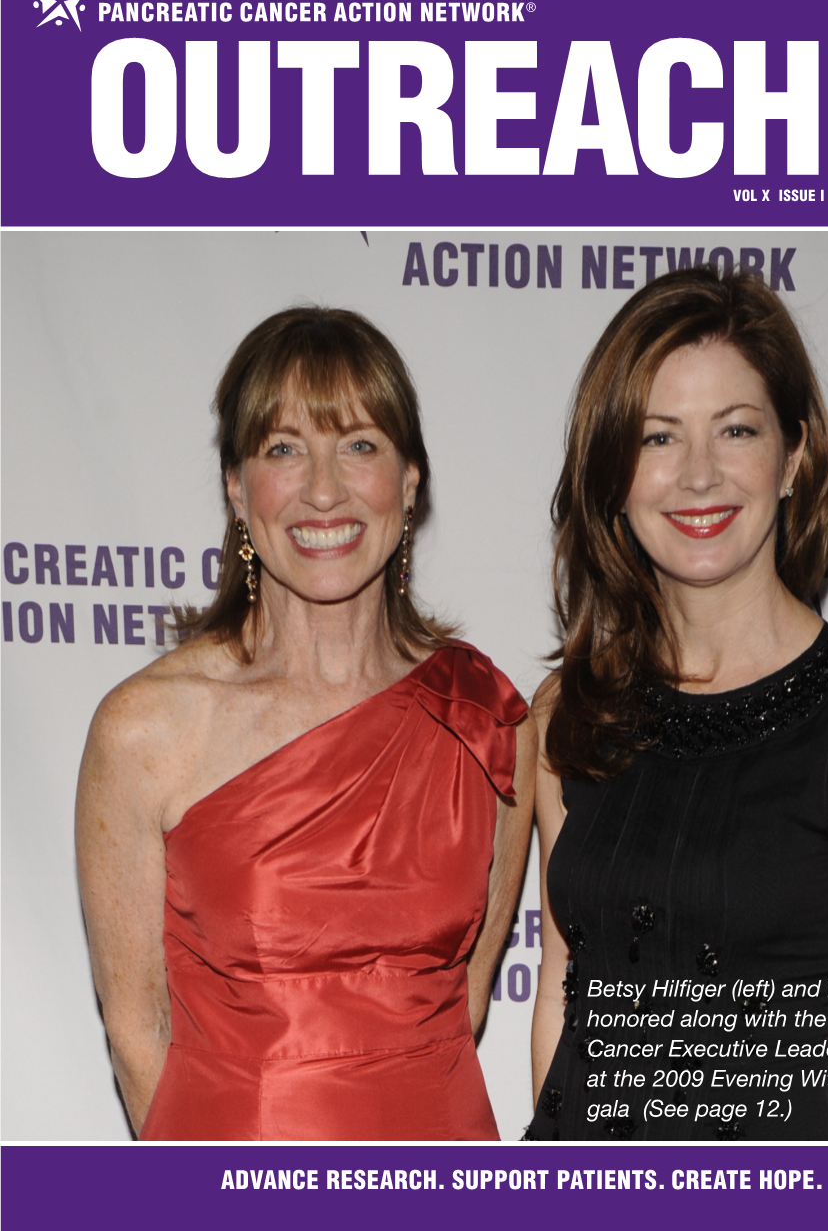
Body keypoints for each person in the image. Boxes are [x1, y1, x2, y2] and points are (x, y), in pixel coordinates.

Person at [75, 307, 535, 1141]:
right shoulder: (145, 731)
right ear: (236, 487)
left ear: (409, 482)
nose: (324, 490)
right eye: (284, 448)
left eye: (359, 444)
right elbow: (138, 1035)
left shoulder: (487, 720)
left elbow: (464, 1001)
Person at [528, 268, 828, 1141]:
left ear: (794, 455)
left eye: (736, 430)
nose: (698, 476)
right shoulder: (569, 710)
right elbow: (563, 992)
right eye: (657, 438)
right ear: (613, 470)